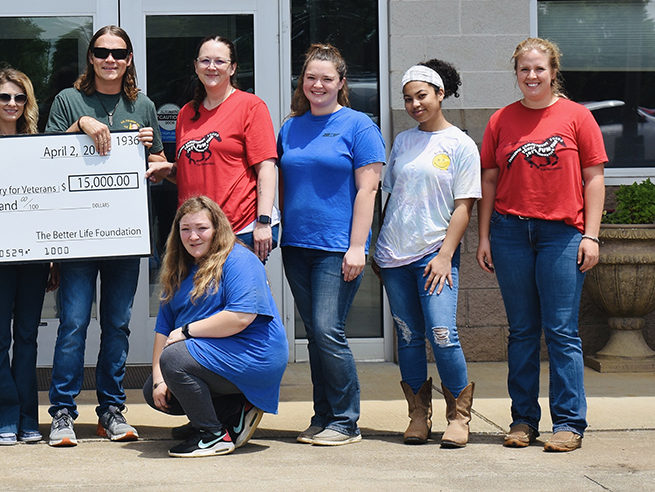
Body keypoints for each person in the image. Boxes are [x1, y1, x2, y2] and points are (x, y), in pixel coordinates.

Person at [476, 38, 606, 453]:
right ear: (516, 73)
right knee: (522, 332)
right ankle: (523, 420)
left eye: (539, 69)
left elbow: (594, 179)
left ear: (553, 72)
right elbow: (490, 181)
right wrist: (483, 236)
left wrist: (592, 235)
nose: (531, 76)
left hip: (562, 234)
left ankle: (568, 423)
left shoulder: (577, 117)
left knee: (562, 331)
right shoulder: (501, 120)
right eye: (523, 70)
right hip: (510, 232)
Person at [43, 25, 164, 447]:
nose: (110, 60)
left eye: (118, 53)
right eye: (101, 52)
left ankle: (111, 410)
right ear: (90, 58)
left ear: (129, 59)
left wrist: (156, 155)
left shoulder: (142, 105)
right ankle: (61, 413)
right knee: (74, 323)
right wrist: (80, 122)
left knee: (117, 324)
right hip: (78, 233)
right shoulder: (68, 100)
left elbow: (160, 163)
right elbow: (44, 156)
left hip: (125, 235)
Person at [277, 43, 385, 447]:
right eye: (310, 78)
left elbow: (367, 191)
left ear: (341, 83)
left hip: (337, 246)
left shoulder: (359, 126)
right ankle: (322, 415)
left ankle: (345, 420)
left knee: (327, 329)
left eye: (326, 78)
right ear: (301, 82)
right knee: (317, 335)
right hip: (297, 246)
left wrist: (357, 247)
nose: (317, 84)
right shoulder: (291, 126)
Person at [374, 60, 480, 447]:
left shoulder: (461, 144)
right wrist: (377, 249)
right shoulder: (403, 141)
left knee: (442, 333)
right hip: (394, 255)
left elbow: (464, 205)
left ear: (440, 94)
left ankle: (459, 415)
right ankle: (419, 414)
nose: (415, 104)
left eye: (422, 96)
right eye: (408, 98)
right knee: (408, 336)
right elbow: (390, 198)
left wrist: (445, 254)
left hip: (434, 254)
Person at [144, 196, 288, 457]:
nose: (193, 236)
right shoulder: (179, 269)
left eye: (202, 228)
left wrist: (187, 331)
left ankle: (212, 435)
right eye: (185, 229)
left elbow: (241, 317)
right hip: (219, 353)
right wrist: (157, 381)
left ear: (217, 229)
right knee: (156, 385)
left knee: (175, 360)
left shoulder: (239, 260)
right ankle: (231, 411)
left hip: (254, 353)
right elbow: (163, 330)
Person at [0, 68, 60, 445]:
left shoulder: (39, 144)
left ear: (28, 103)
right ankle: (2, 419)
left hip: (36, 260)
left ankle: (28, 419)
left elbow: (50, 204)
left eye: (19, 97)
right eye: (5, 97)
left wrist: (55, 257)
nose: (11, 104)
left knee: (27, 337)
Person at [146, 35, 279, 261]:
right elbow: (193, 170)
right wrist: (167, 170)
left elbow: (266, 167)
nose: (212, 67)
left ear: (233, 68)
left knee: (235, 296)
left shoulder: (251, 106)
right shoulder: (185, 113)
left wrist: (263, 221)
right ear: (196, 67)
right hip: (195, 233)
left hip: (239, 229)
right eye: (205, 61)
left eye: (220, 61)